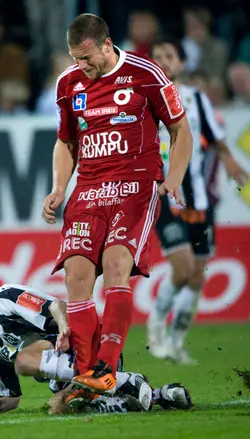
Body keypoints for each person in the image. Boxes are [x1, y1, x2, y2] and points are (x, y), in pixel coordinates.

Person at [41, 13, 193, 404]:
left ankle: (106, 370)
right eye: (75, 58)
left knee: (114, 267)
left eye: (87, 57)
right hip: (88, 190)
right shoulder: (68, 84)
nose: (82, 66)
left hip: (134, 188)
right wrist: (59, 187)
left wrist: (173, 177)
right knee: (76, 276)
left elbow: (180, 129)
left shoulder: (146, 74)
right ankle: (85, 377)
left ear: (107, 45)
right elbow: (66, 142)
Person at [0, 267, 193, 416]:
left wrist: (63, 328)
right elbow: (7, 399)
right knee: (60, 406)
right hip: (71, 377)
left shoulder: (3, 298)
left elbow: (55, 305)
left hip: (91, 353)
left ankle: (124, 381)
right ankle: (160, 395)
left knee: (24, 361)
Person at [146, 38, 249, 364]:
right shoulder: (144, 100)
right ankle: (155, 330)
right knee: (182, 268)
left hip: (199, 200)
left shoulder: (196, 99)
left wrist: (230, 161)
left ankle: (175, 340)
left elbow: (216, 140)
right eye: (158, 56)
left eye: (169, 55)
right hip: (164, 196)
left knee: (197, 274)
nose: (164, 60)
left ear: (180, 63)